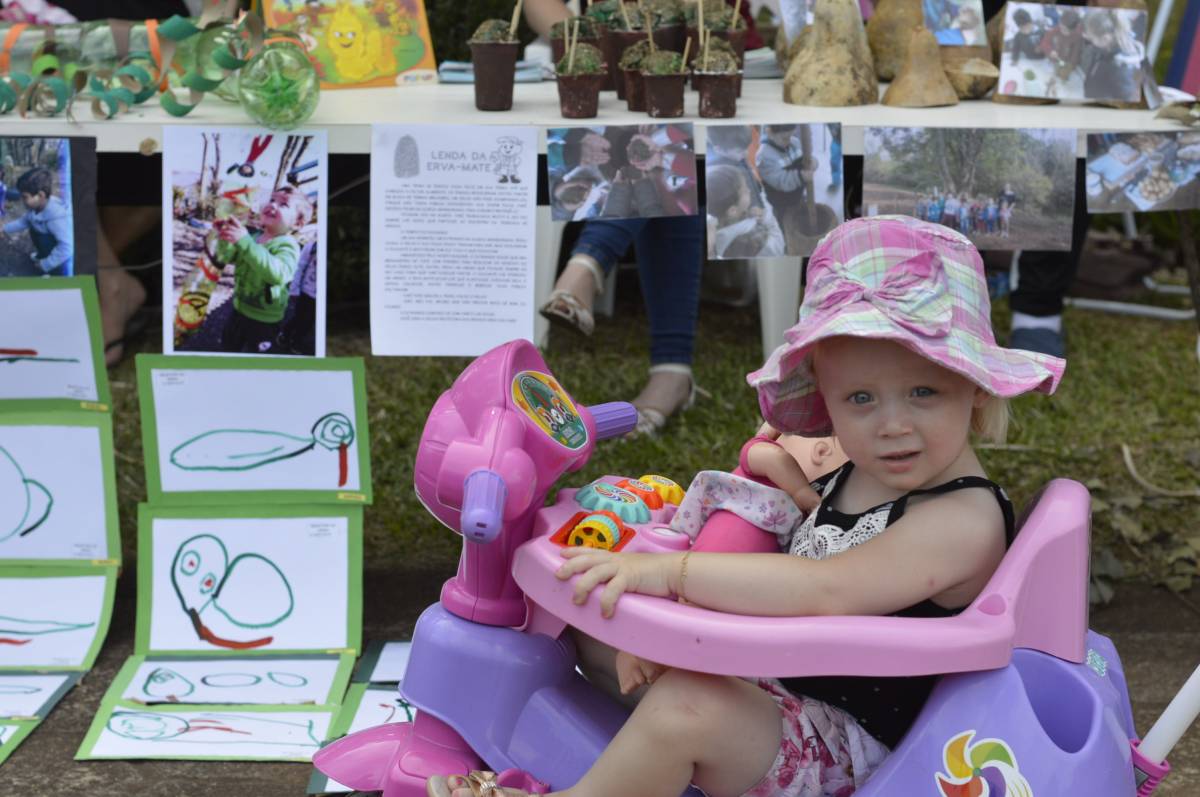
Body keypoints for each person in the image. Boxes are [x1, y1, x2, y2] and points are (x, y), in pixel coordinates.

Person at [426, 215, 1066, 797]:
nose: (892, 425)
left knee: (686, 708)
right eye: (860, 399)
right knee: (598, 625)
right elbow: (796, 529)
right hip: (780, 680)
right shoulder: (871, 469)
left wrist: (670, 575)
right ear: (826, 398)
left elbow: (823, 588)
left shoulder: (960, 518)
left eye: (923, 392)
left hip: (852, 747)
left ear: (976, 389)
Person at [213, 185, 310, 353]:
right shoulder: (254, 237)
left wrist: (244, 242)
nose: (272, 204)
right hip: (239, 309)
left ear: (297, 223)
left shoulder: (288, 245)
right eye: (272, 199)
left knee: (257, 358)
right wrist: (224, 237)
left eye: (283, 204)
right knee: (228, 348)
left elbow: (278, 274)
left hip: (265, 320)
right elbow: (227, 258)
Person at [2, 166, 74, 275]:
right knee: (33, 226)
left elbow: (67, 248)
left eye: (25, 197)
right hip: (48, 242)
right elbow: (23, 222)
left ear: (40, 195)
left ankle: (54, 271)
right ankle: (43, 254)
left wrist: (46, 264)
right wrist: (4, 229)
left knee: (42, 237)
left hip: (62, 256)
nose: (22, 200)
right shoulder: (35, 208)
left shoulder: (56, 219)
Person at [706, 164, 785, 258]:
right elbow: (778, 247)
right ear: (732, 210)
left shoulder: (716, 221)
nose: (749, 190)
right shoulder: (749, 239)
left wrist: (747, 215)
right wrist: (767, 219)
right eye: (744, 191)